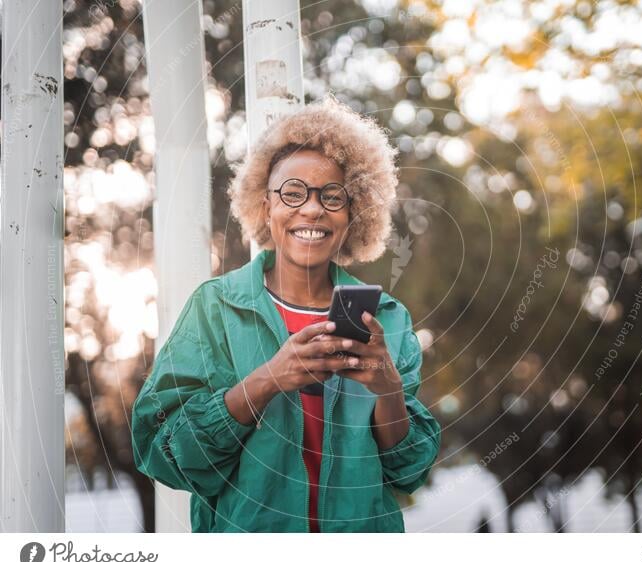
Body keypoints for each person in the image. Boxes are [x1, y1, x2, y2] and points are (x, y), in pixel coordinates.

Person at [131, 94, 441, 533]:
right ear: (265, 206)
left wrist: (388, 387)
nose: (312, 208)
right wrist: (268, 380)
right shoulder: (215, 308)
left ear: (355, 214)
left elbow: (409, 472)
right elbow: (165, 454)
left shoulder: (388, 319)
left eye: (333, 196)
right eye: (292, 193)